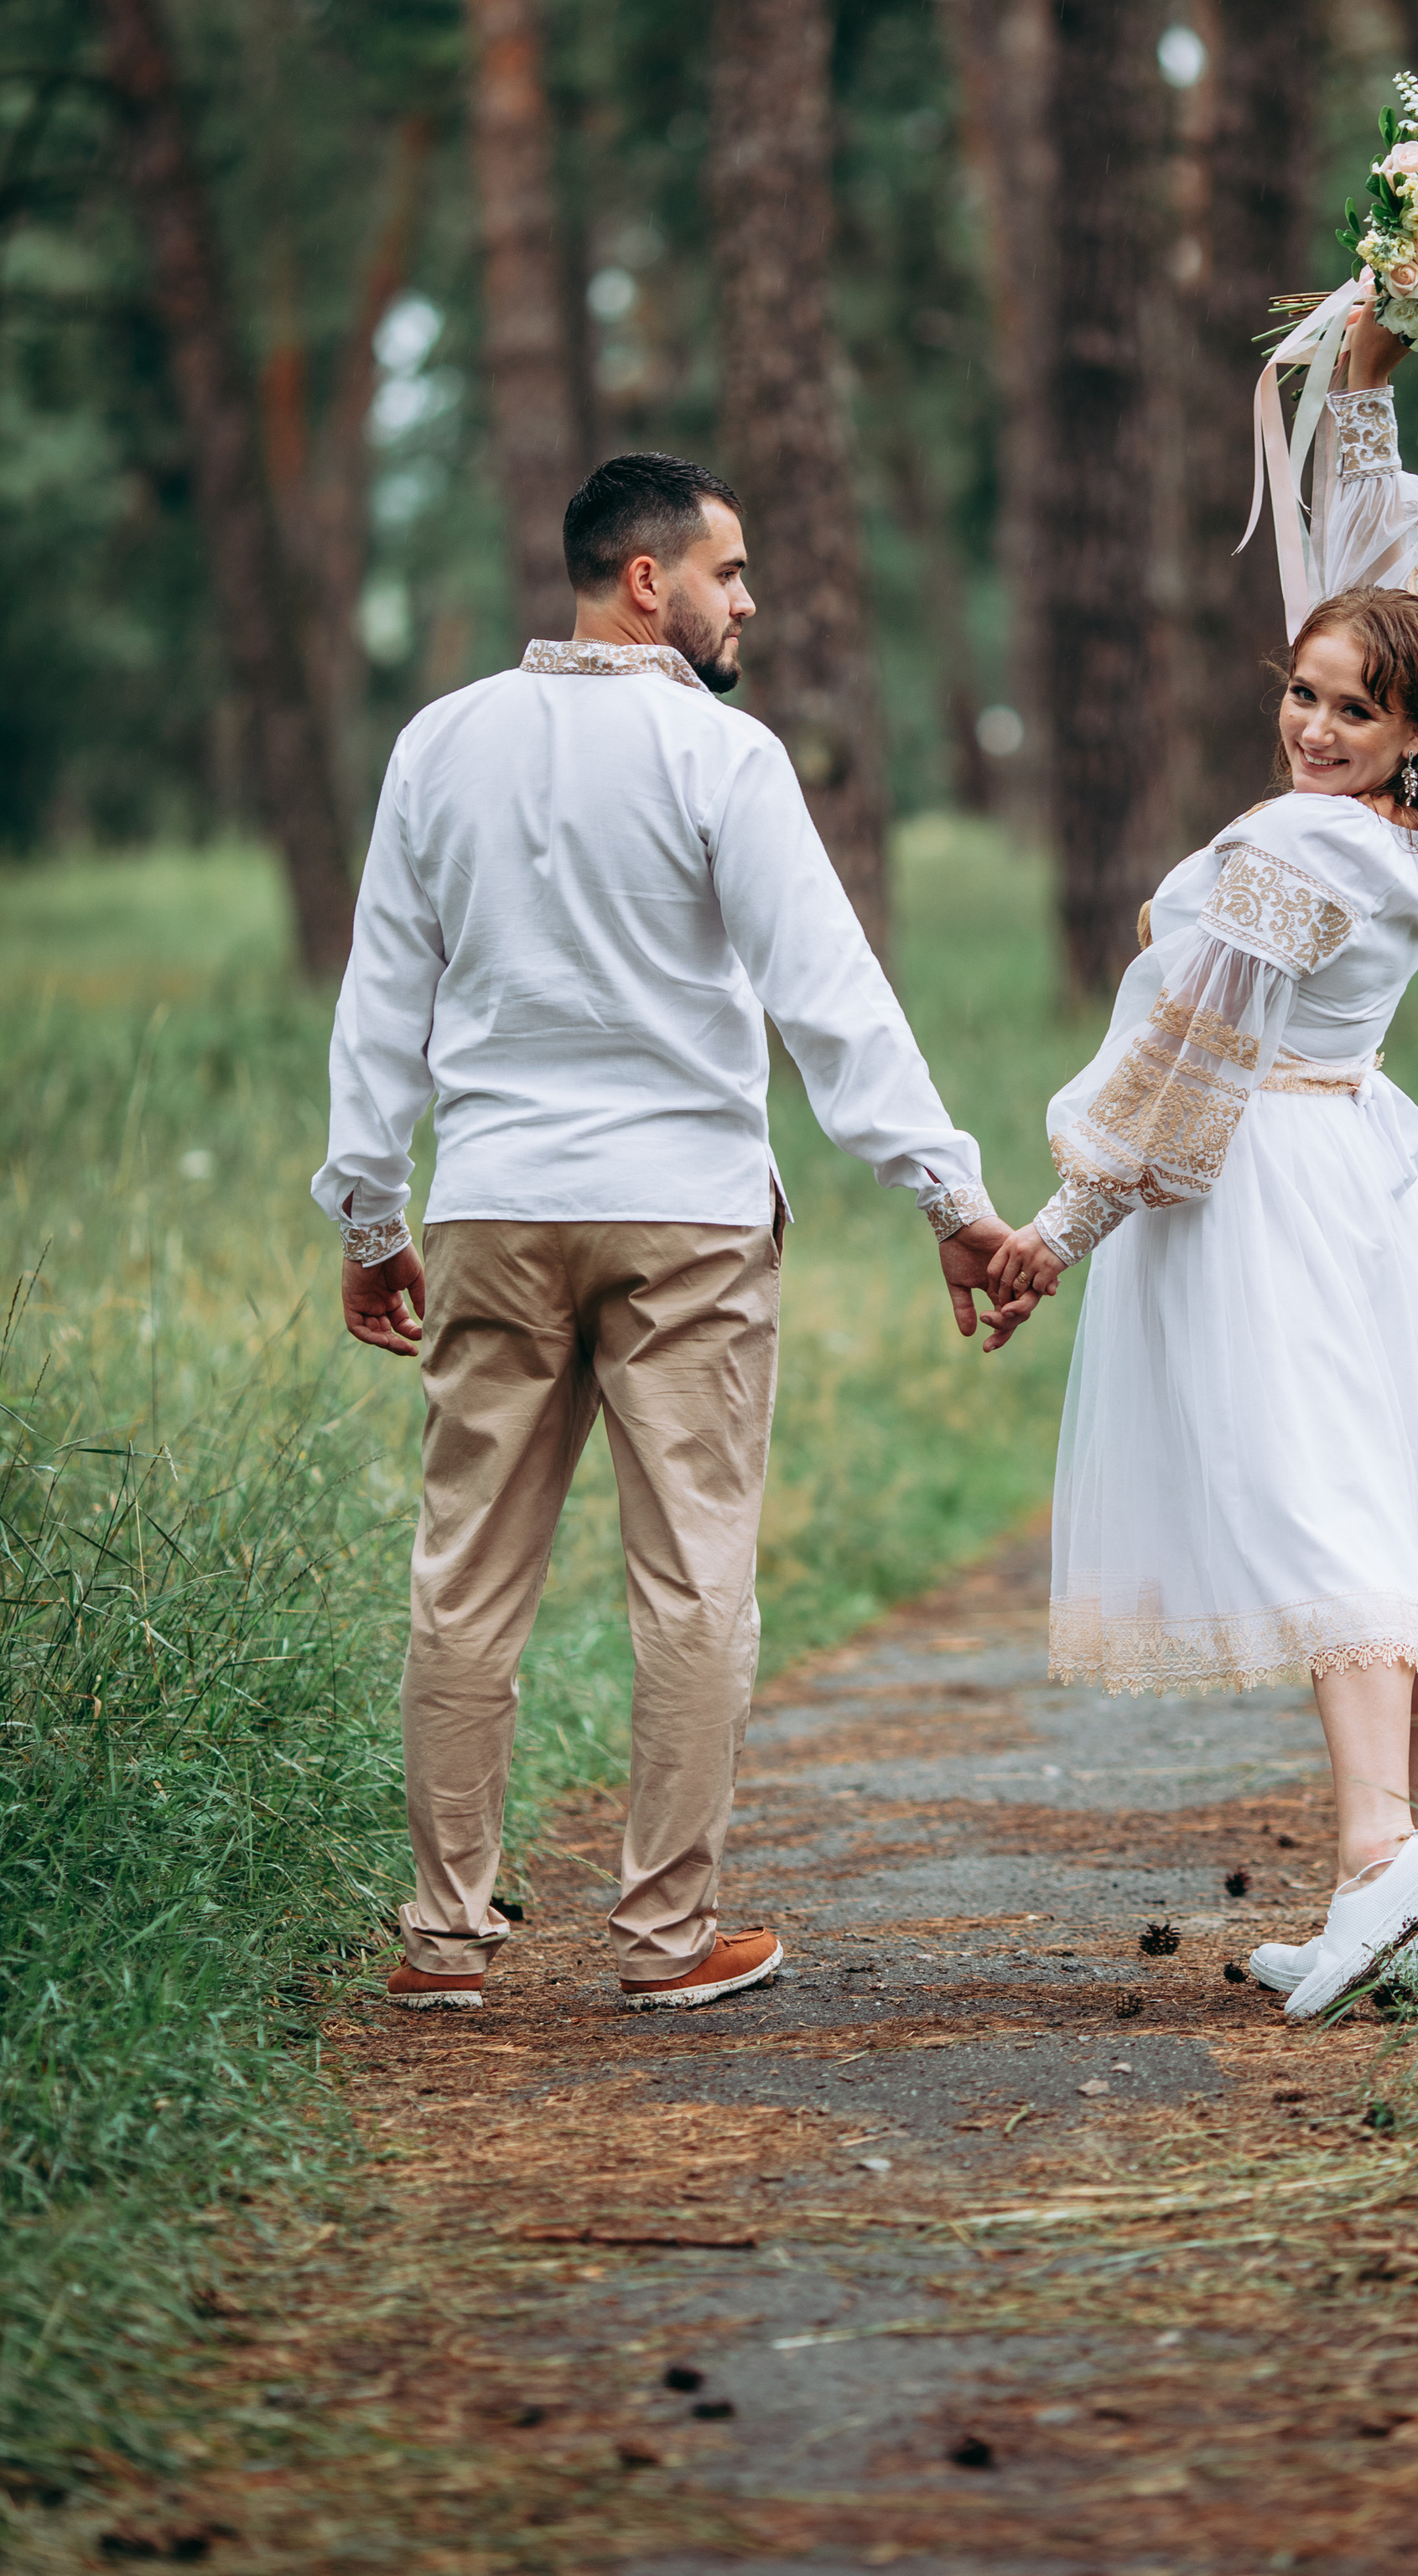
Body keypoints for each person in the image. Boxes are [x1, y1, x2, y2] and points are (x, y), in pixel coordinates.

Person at [314, 451, 1034, 2017]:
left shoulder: (441, 744)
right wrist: (952, 1201)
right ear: (649, 581)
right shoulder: (723, 755)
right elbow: (828, 1000)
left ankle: (444, 1940)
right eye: (731, 571)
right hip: (686, 1223)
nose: (749, 598)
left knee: (464, 1575)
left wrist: (371, 1214)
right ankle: (658, 1939)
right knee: (695, 1576)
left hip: (494, 1205)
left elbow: (384, 1004)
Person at [989, 305, 1418, 2024]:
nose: (1309, 724)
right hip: (1351, 1171)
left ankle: (1378, 1857)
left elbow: (1186, 1044)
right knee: (1392, 1502)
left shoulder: (1300, 849)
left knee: (1320, 1511)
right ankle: (1410, 1902)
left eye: (1349, 708)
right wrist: (1362, 376)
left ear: (1407, 723)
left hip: (1270, 1185)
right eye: (1299, 693)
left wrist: (1058, 1225)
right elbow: (1378, 573)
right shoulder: (1410, 841)